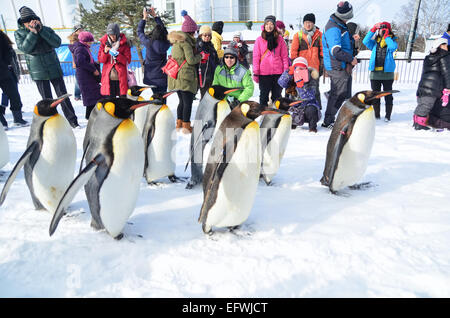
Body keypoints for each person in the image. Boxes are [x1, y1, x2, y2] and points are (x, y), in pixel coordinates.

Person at [14, 6, 79, 128]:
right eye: (28, 21)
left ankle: (73, 121)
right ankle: (52, 124)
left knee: (63, 96)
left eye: (33, 20)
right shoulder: (19, 33)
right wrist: (33, 33)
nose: (31, 23)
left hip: (54, 68)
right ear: (23, 23)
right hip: (38, 71)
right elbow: (25, 48)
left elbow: (57, 43)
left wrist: (41, 30)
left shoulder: (46, 29)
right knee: (47, 100)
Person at [321, 1, 357, 129]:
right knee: (340, 93)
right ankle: (328, 120)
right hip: (336, 65)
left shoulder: (340, 24)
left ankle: (329, 115)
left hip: (340, 64)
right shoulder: (333, 27)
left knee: (341, 92)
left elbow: (344, 43)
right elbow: (335, 51)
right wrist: (350, 58)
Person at [167, 11, 202, 134]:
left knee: (182, 101)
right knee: (187, 102)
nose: (195, 34)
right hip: (185, 77)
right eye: (195, 31)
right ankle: (186, 126)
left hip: (177, 76)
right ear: (191, 32)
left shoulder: (177, 42)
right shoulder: (186, 43)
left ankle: (179, 124)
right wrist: (200, 57)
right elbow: (191, 60)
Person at [363, 22, 398, 122]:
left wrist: (387, 36)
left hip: (387, 74)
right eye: (380, 29)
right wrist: (373, 29)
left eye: (384, 29)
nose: (381, 31)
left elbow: (392, 48)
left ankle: (388, 116)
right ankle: (376, 115)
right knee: (375, 95)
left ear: (389, 30)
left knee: (388, 95)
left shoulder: (392, 41)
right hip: (375, 74)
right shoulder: (374, 43)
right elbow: (365, 41)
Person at [413, 37, 450, 130]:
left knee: (423, 105)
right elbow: (447, 73)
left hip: (424, 85)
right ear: (440, 46)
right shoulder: (444, 56)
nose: (447, 47)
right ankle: (420, 125)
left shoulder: (429, 57)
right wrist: (448, 87)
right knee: (426, 106)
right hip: (434, 86)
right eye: (445, 45)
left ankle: (416, 122)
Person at [253, 15, 290, 107]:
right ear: (264, 25)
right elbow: (256, 57)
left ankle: (276, 116)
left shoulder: (280, 39)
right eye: (267, 24)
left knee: (277, 97)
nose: (269, 26)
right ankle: (263, 116)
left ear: (274, 26)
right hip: (263, 74)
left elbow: (284, 57)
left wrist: (285, 72)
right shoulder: (259, 40)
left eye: (271, 24)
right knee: (263, 97)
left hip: (278, 73)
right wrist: (256, 72)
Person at [278, 57, 321, 132]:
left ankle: (312, 128)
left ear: (306, 69)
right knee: (282, 106)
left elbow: (310, 96)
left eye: (302, 68)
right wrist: (288, 73)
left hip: (308, 107)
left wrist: (301, 87)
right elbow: (281, 83)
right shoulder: (291, 77)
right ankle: (292, 124)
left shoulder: (312, 77)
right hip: (294, 107)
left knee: (311, 109)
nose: (299, 70)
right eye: (296, 68)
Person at [290, 13, 323, 106]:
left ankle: (316, 108)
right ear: (303, 23)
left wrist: (321, 66)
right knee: (300, 88)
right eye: (306, 22)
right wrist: (295, 67)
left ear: (314, 24)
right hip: (301, 69)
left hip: (314, 68)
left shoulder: (319, 35)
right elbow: (293, 53)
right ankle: (299, 107)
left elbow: (322, 52)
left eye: (310, 22)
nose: (308, 24)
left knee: (315, 89)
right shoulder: (298, 35)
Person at [138, 7, 170, 94]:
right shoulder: (166, 43)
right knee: (163, 97)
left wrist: (144, 18)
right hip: (163, 76)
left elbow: (140, 32)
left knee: (155, 99)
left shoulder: (149, 43)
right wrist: (155, 16)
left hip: (151, 76)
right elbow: (164, 30)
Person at [0, 30, 28, 129]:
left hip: (3, 72)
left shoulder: (1, 36)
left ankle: (18, 119)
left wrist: (5, 64)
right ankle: (2, 123)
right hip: (4, 71)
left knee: (14, 94)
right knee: (13, 94)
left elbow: (9, 51)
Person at [70, 31, 101, 119]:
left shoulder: (83, 47)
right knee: (91, 96)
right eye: (90, 41)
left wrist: (95, 64)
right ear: (85, 41)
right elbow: (80, 62)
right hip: (85, 77)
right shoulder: (80, 49)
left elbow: (86, 60)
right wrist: (93, 69)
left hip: (87, 76)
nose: (91, 43)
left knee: (93, 95)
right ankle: (89, 116)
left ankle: (91, 115)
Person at [98, 23, 132, 97]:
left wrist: (117, 55)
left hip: (120, 77)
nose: (112, 37)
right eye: (110, 35)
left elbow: (127, 60)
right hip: (108, 77)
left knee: (122, 102)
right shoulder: (104, 44)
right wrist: (105, 52)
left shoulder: (125, 44)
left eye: (114, 35)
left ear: (117, 34)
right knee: (110, 102)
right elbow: (101, 60)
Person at [196, 25, 220, 98]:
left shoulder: (210, 45)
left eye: (209, 35)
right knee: (205, 96)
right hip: (202, 76)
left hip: (211, 75)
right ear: (200, 35)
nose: (207, 37)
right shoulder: (198, 46)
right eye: (205, 35)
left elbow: (215, 59)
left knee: (210, 96)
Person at [68, 24, 84, 101]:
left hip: (83, 59)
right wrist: (74, 62)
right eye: (79, 30)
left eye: (81, 29)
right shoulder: (74, 40)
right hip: (78, 61)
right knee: (78, 79)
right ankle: (77, 95)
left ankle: (83, 93)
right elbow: (73, 53)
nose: (81, 31)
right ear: (75, 31)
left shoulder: (83, 37)